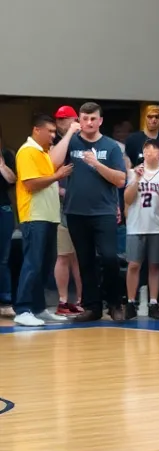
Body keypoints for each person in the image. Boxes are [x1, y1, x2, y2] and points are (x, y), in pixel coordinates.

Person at [62, 102, 128, 323]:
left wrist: (96, 163)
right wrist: (68, 134)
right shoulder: (71, 143)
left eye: (93, 119)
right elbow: (52, 164)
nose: (88, 123)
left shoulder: (110, 147)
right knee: (85, 261)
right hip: (76, 212)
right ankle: (92, 307)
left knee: (110, 258)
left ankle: (115, 302)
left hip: (104, 211)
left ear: (100, 121)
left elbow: (120, 179)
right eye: (84, 118)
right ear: (78, 120)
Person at [12, 114, 73, 326]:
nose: (54, 136)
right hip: (34, 216)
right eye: (51, 131)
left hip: (49, 217)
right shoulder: (27, 151)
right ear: (37, 130)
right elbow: (30, 184)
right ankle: (22, 309)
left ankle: (38, 309)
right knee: (32, 263)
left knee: (45, 265)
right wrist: (57, 176)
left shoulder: (45, 153)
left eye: (55, 132)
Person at [122, 140, 159, 320]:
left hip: (158, 225)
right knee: (134, 264)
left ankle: (153, 302)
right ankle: (130, 302)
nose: (149, 154)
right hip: (136, 225)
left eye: (152, 150)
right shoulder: (133, 172)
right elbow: (128, 199)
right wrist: (137, 179)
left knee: (155, 266)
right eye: (145, 151)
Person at [124, 105, 159, 169]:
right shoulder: (133, 140)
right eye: (150, 117)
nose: (154, 120)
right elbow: (127, 164)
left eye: (157, 117)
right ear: (144, 117)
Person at [0, 131, 14, 318]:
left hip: (3, 209)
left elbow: (12, 179)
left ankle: (5, 301)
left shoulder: (7, 155)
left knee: (2, 259)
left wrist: (1, 165)